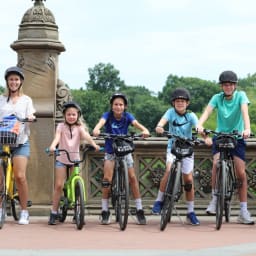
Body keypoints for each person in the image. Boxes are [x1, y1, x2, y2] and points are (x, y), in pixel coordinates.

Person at [196, 70, 254, 225]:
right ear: (221, 86)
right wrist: (199, 125)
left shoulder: (241, 96)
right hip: (220, 136)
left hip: (237, 137)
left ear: (235, 85)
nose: (227, 87)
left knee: (241, 173)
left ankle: (243, 211)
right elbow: (207, 112)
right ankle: (215, 199)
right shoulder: (217, 98)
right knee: (216, 163)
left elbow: (245, 113)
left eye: (230, 84)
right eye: (225, 84)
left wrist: (247, 129)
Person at [93, 92, 150, 225]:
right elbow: (100, 123)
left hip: (124, 149)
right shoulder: (108, 116)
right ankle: (105, 210)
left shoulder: (127, 116)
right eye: (116, 104)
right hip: (110, 150)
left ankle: (139, 209)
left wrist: (144, 130)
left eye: (121, 105)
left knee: (132, 178)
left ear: (125, 107)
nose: (118, 107)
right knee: (107, 179)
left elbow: (136, 124)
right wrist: (96, 129)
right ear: (112, 106)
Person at [152, 88, 200, 225]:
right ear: (173, 103)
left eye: (183, 101)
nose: (180, 103)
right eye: (177, 101)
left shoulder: (191, 115)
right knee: (167, 171)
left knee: (189, 180)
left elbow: (198, 126)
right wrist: (160, 127)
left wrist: (202, 133)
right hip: (173, 148)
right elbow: (161, 123)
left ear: (187, 103)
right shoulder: (170, 112)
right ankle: (159, 201)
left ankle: (190, 212)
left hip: (187, 149)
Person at [48, 101, 100, 225]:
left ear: (78, 115)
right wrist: (52, 146)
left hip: (75, 159)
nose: (71, 117)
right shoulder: (60, 126)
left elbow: (87, 136)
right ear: (65, 115)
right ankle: (54, 212)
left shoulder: (79, 128)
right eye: (69, 114)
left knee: (76, 183)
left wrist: (94, 144)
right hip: (62, 158)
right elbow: (57, 137)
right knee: (59, 185)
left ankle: (78, 212)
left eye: (74, 115)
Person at [0, 66, 36, 225]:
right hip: (2, 141)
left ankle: (24, 211)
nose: (13, 82)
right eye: (11, 79)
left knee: (20, 176)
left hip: (20, 141)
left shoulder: (26, 100)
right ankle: (1, 209)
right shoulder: (1, 99)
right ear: (7, 82)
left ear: (21, 82)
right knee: (0, 179)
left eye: (16, 79)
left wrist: (30, 117)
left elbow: (32, 114)